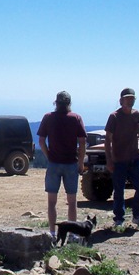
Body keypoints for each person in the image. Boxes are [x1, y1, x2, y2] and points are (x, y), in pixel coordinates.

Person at [37, 91, 87, 240]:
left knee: (52, 202)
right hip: (71, 163)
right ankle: (72, 233)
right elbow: (82, 142)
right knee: (72, 202)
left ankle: (52, 233)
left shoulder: (48, 117)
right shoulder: (76, 118)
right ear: (69, 103)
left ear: (56, 103)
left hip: (54, 164)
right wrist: (81, 162)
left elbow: (41, 140)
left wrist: (48, 156)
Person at [105, 88, 139, 228]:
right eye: (127, 98)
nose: (130, 100)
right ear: (121, 101)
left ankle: (137, 215)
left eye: (132, 98)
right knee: (119, 190)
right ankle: (119, 219)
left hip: (135, 158)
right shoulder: (114, 117)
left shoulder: (137, 115)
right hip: (119, 160)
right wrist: (109, 159)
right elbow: (108, 139)